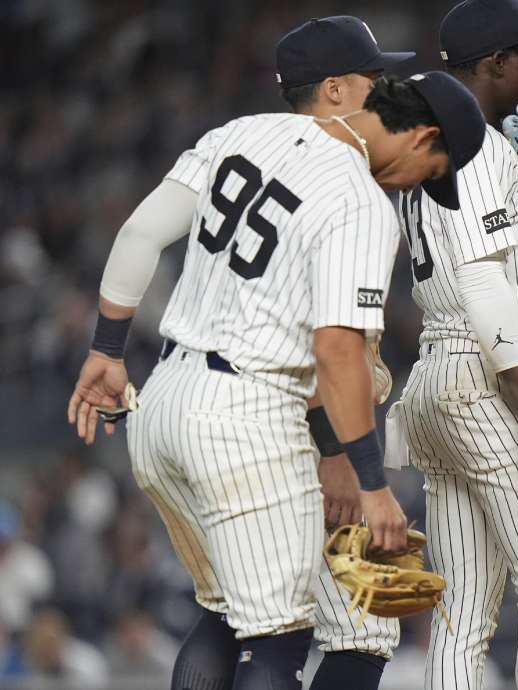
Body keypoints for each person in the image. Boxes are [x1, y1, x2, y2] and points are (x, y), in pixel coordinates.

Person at [66, 70, 486, 689]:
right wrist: (371, 483)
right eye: (432, 169)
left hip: (162, 404)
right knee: (277, 634)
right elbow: (337, 351)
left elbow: (137, 233)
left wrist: (106, 349)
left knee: (223, 614)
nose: (419, 184)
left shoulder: (242, 132)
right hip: (249, 417)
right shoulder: (359, 201)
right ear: (422, 137)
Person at [382, 1, 518, 688]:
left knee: (463, 612)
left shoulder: (429, 140)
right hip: (488, 374)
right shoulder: (475, 147)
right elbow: (480, 282)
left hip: (440, 378)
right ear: (494, 64)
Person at [272, 16, 416, 690]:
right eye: (371, 78)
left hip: (235, 416)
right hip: (310, 426)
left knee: (256, 624)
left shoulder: (258, 161)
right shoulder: (342, 186)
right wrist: (339, 456)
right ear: (334, 89)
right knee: (363, 630)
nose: (382, 89)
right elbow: (329, 342)